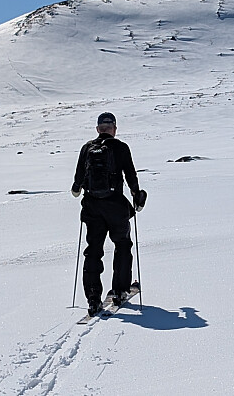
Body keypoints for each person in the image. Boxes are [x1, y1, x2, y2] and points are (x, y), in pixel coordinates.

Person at [71, 112, 145, 316]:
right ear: (113, 128)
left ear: (97, 129)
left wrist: (77, 189)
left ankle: (93, 298)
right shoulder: (121, 147)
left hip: (92, 207)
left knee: (93, 250)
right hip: (115, 206)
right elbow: (130, 175)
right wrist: (137, 196)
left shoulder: (87, 148)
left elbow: (77, 179)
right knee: (122, 245)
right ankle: (120, 290)